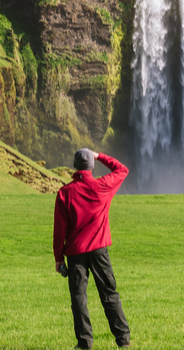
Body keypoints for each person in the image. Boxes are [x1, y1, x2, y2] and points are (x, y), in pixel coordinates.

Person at [53, 148, 131, 349]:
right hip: (99, 251)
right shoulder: (103, 186)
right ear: (92, 166)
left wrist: (58, 258)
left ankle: (84, 342)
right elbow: (122, 170)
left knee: (79, 298)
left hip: (75, 253)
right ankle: (123, 340)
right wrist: (99, 155)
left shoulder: (64, 193)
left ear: (75, 166)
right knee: (109, 294)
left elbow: (59, 230)